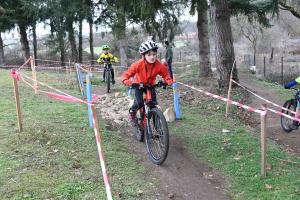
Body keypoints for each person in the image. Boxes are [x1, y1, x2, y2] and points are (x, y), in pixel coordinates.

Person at [122, 40, 174, 126]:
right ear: (143, 55)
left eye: (154, 54)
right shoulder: (138, 64)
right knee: (140, 103)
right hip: (138, 85)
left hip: (150, 86)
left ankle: (156, 127)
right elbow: (126, 74)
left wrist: (168, 80)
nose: (152, 57)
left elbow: (165, 74)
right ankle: (132, 112)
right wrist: (126, 80)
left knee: (153, 105)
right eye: (149, 55)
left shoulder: (158, 65)